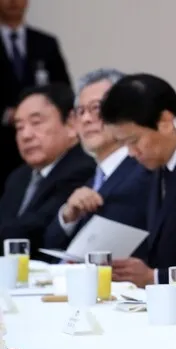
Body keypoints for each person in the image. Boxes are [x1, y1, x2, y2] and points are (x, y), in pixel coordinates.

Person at [100, 73, 176, 288]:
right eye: (123, 144)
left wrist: (155, 277)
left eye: (134, 141)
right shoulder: (155, 168)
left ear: (165, 122)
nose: (131, 152)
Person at [43, 69, 151, 256]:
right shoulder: (93, 178)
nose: (86, 119)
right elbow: (49, 244)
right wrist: (68, 216)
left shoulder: (144, 169)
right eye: (81, 111)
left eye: (96, 108)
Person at [0, 84, 94, 259]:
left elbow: (33, 231)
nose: (26, 135)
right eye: (19, 127)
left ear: (71, 125)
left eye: (36, 123)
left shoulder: (83, 170)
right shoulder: (18, 177)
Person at [0, 0, 72, 193]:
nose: (13, 1)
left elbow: (63, 90)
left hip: (43, 144)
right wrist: (8, 114)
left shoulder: (45, 43)